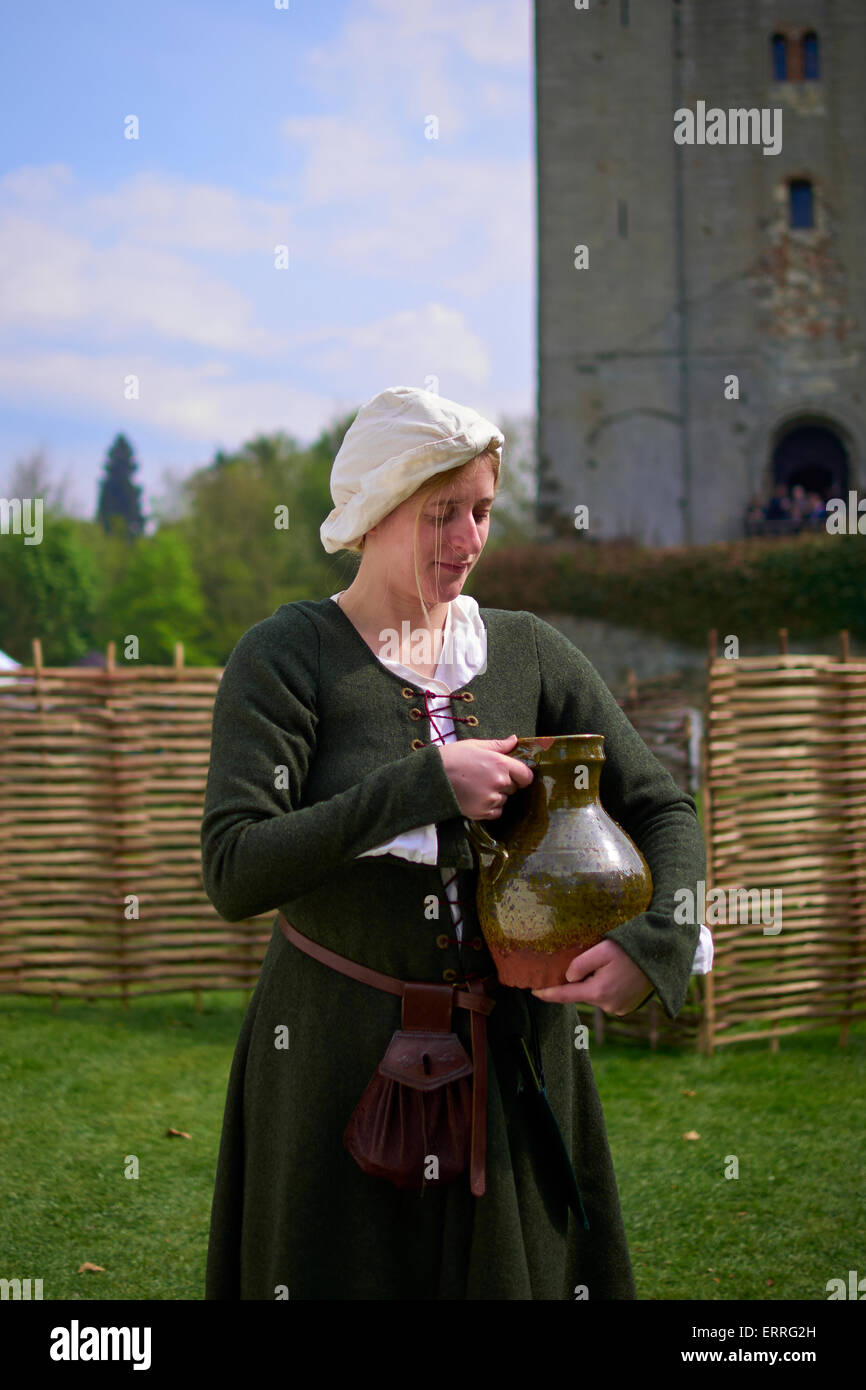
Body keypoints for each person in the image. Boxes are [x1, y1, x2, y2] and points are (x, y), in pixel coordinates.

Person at [201, 385, 708, 1301]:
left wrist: (658, 940)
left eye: (481, 511)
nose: (468, 540)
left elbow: (664, 807)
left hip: (515, 1066)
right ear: (372, 512)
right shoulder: (285, 657)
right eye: (442, 514)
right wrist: (422, 786)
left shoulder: (530, 652)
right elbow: (236, 867)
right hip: (330, 1060)